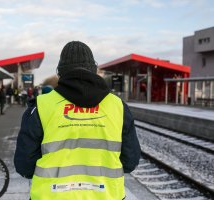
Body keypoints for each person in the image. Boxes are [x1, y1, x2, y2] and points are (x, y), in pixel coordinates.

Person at [14, 41, 141, 200]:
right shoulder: (118, 106)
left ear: (60, 73)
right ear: (94, 71)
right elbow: (130, 162)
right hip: (107, 195)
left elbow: (24, 165)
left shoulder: (41, 106)